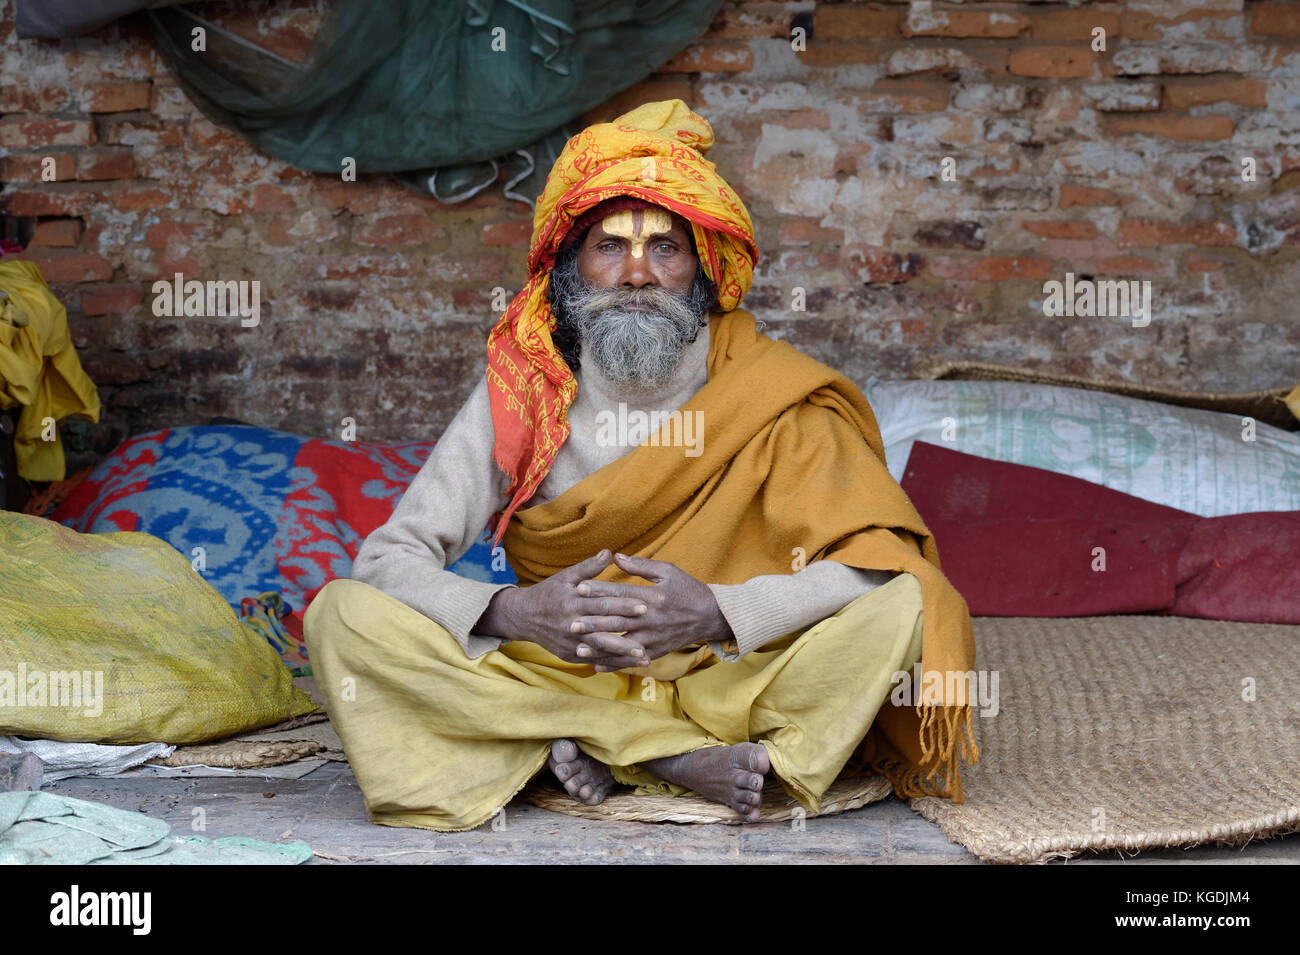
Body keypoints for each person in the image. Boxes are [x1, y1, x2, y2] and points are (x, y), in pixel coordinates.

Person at [303, 99, 978, 832]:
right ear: (571, 271)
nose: (635, 273)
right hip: (562, 669)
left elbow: (881, 564)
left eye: (664, 247)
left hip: (731, 680)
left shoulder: (771, 389)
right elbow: (386, 560)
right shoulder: (525, 391)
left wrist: (719, 611)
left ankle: (577, 743)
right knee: (342, 616)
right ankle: (663, 756)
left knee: (907, 609)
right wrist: (515, 612)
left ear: (699, 271)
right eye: (608, 245)